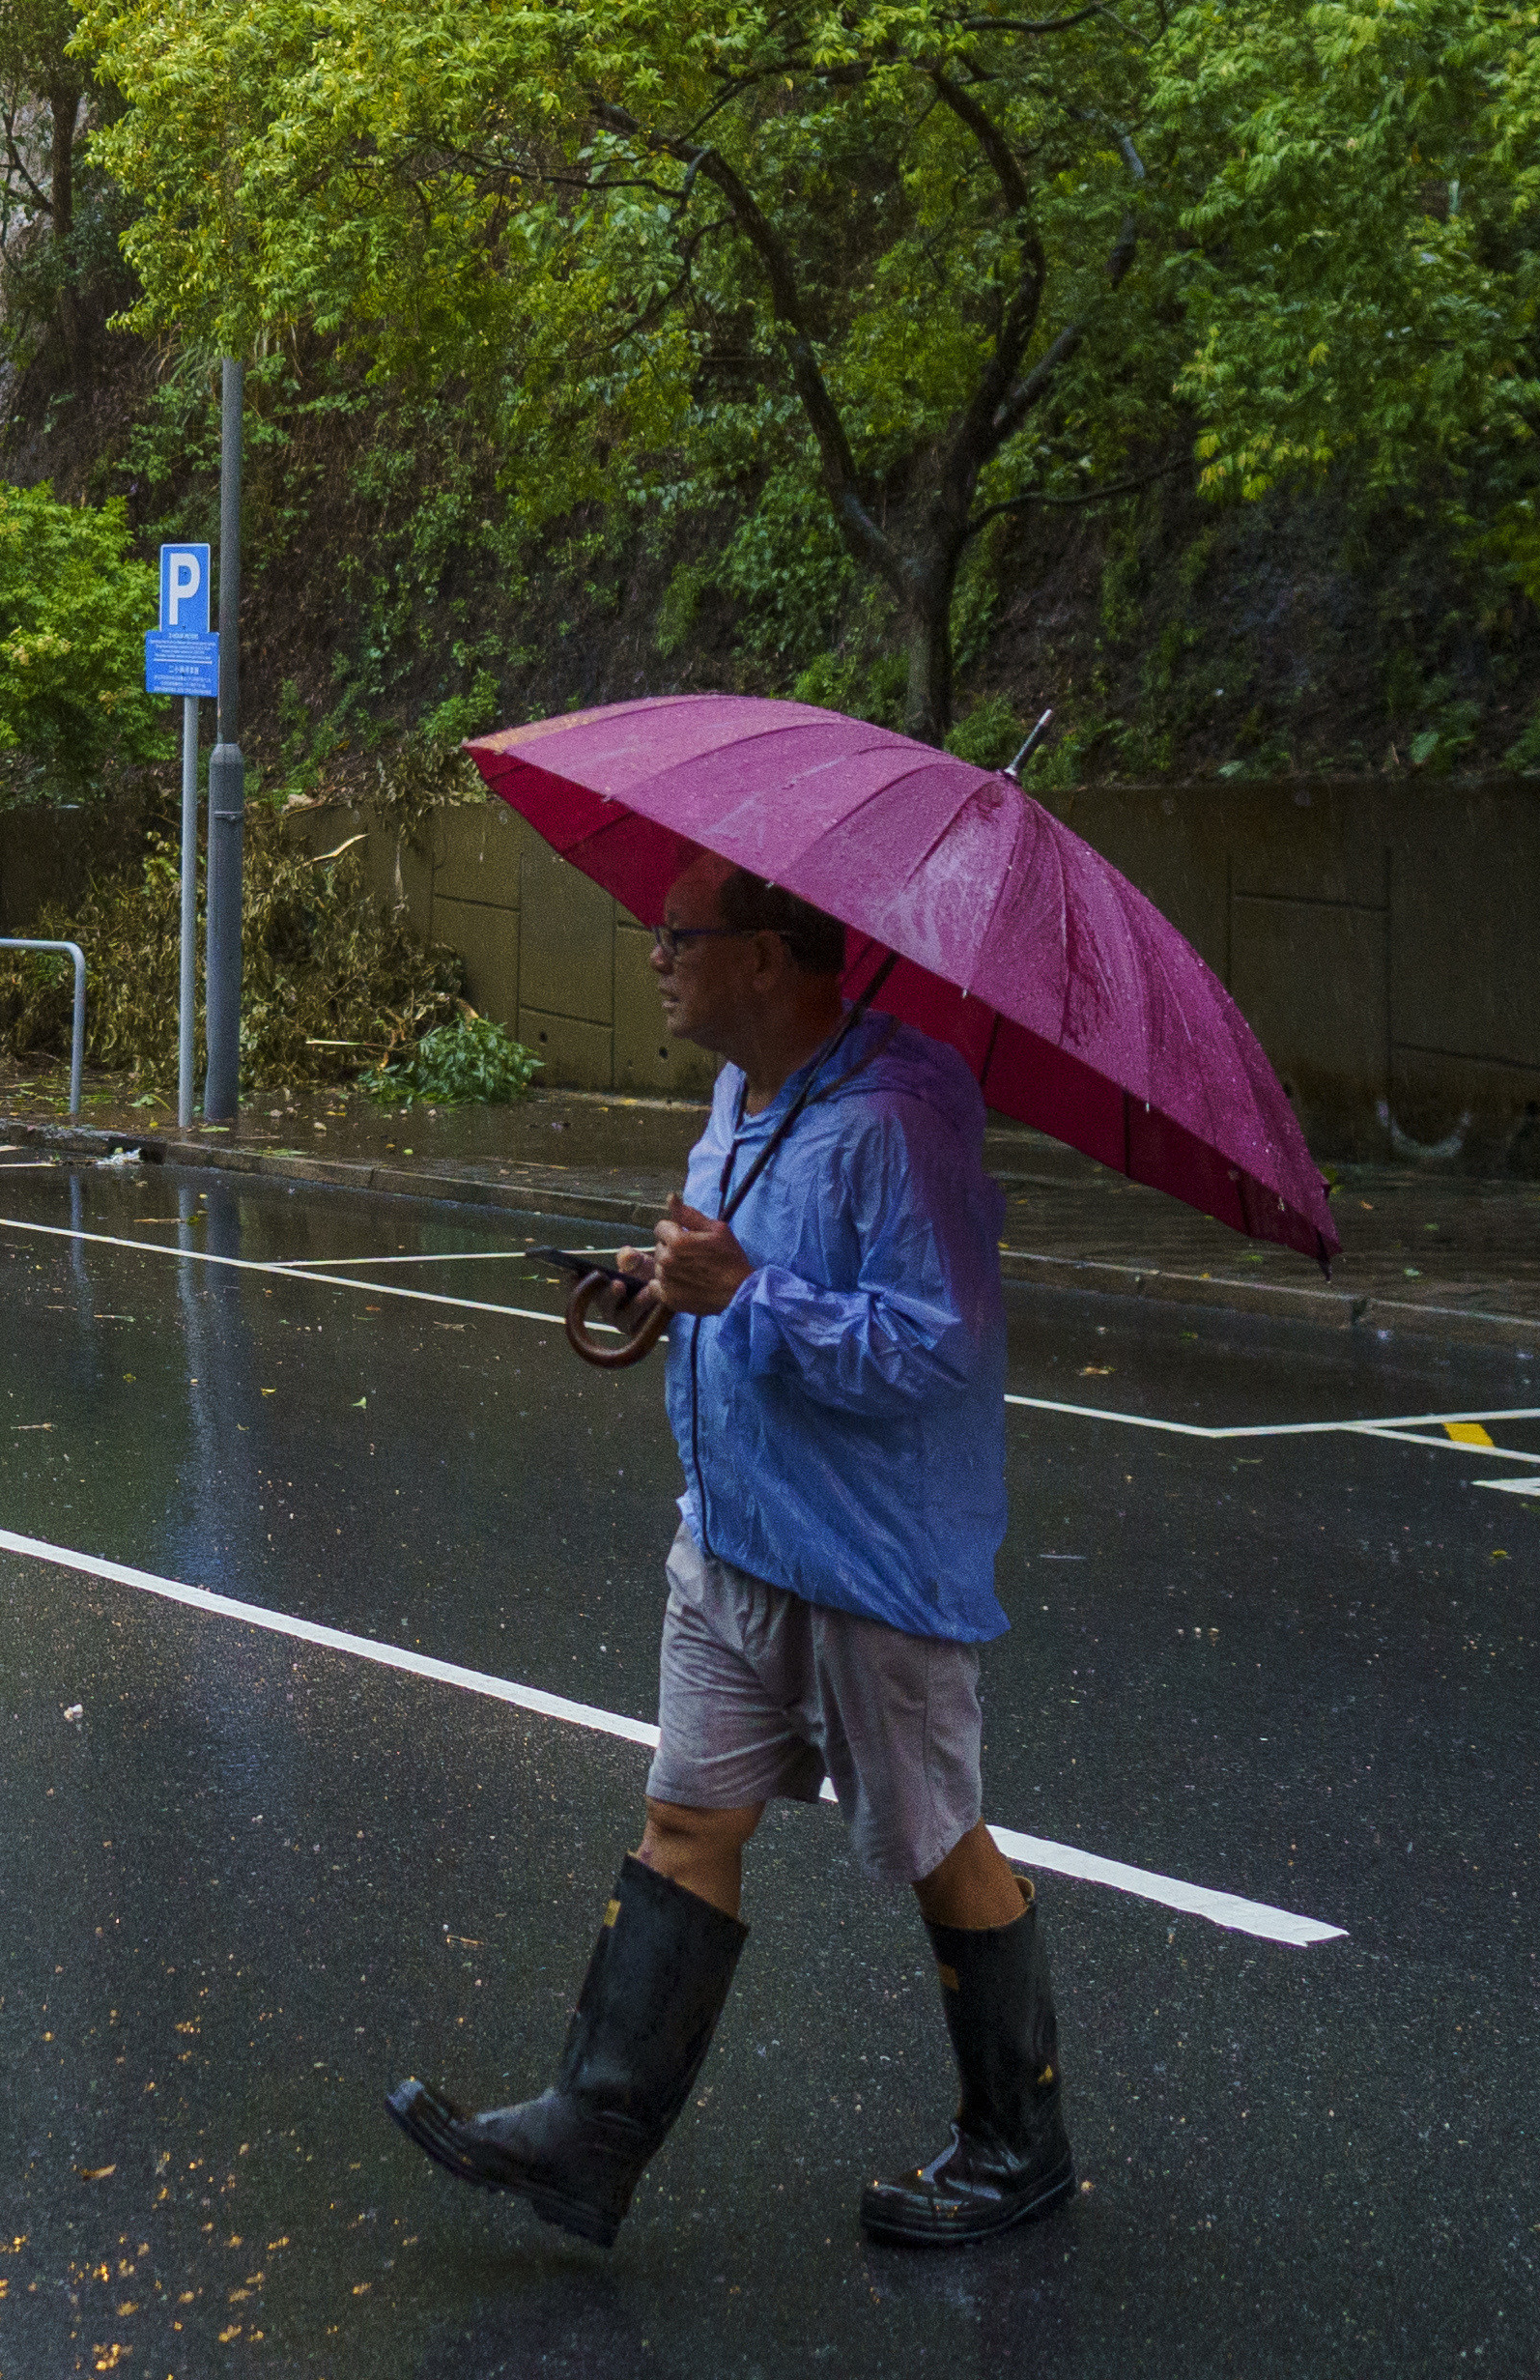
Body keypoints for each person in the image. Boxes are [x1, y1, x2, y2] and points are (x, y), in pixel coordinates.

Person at [384, 848, 1072, 2252]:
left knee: (936, 1844)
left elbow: (932, 1350)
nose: (654, 953)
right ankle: (591, 2132)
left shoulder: (898, 1122)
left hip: (867, 1567)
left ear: (767, 956)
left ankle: (1021, 2144)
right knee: (689, 1819)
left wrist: (746, 1291)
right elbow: (734, 1284)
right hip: (733, 1544)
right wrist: (662, 1288)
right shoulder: (742, 1099)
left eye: (678, 933)